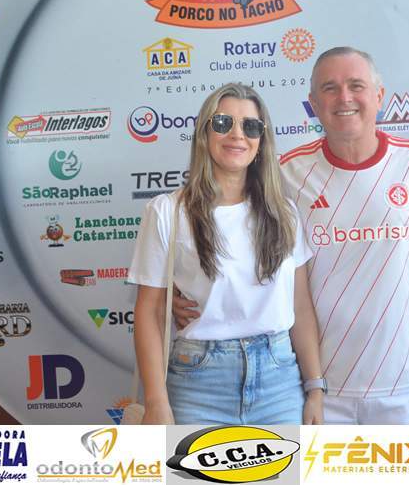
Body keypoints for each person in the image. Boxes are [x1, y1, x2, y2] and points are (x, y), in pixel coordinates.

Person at [174, 48, 409, 424]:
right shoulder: (286, 173)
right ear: (313, 103)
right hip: (316, 389)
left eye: (356, 86)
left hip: (403, 386)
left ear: (379, 96)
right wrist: (181, 290)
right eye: (330, 88)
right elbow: (231, 233)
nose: (344, 98)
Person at [128, 83, 323, 425]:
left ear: (262, 140)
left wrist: (315, 389)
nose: (237, 135)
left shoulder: (285, 213)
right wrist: (156, 400)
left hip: (279, 383)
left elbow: (301, 306)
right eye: (223, 123)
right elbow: (150, 311)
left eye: (251, 126)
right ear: (204, 134)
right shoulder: (166, 211)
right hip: (197, 384)